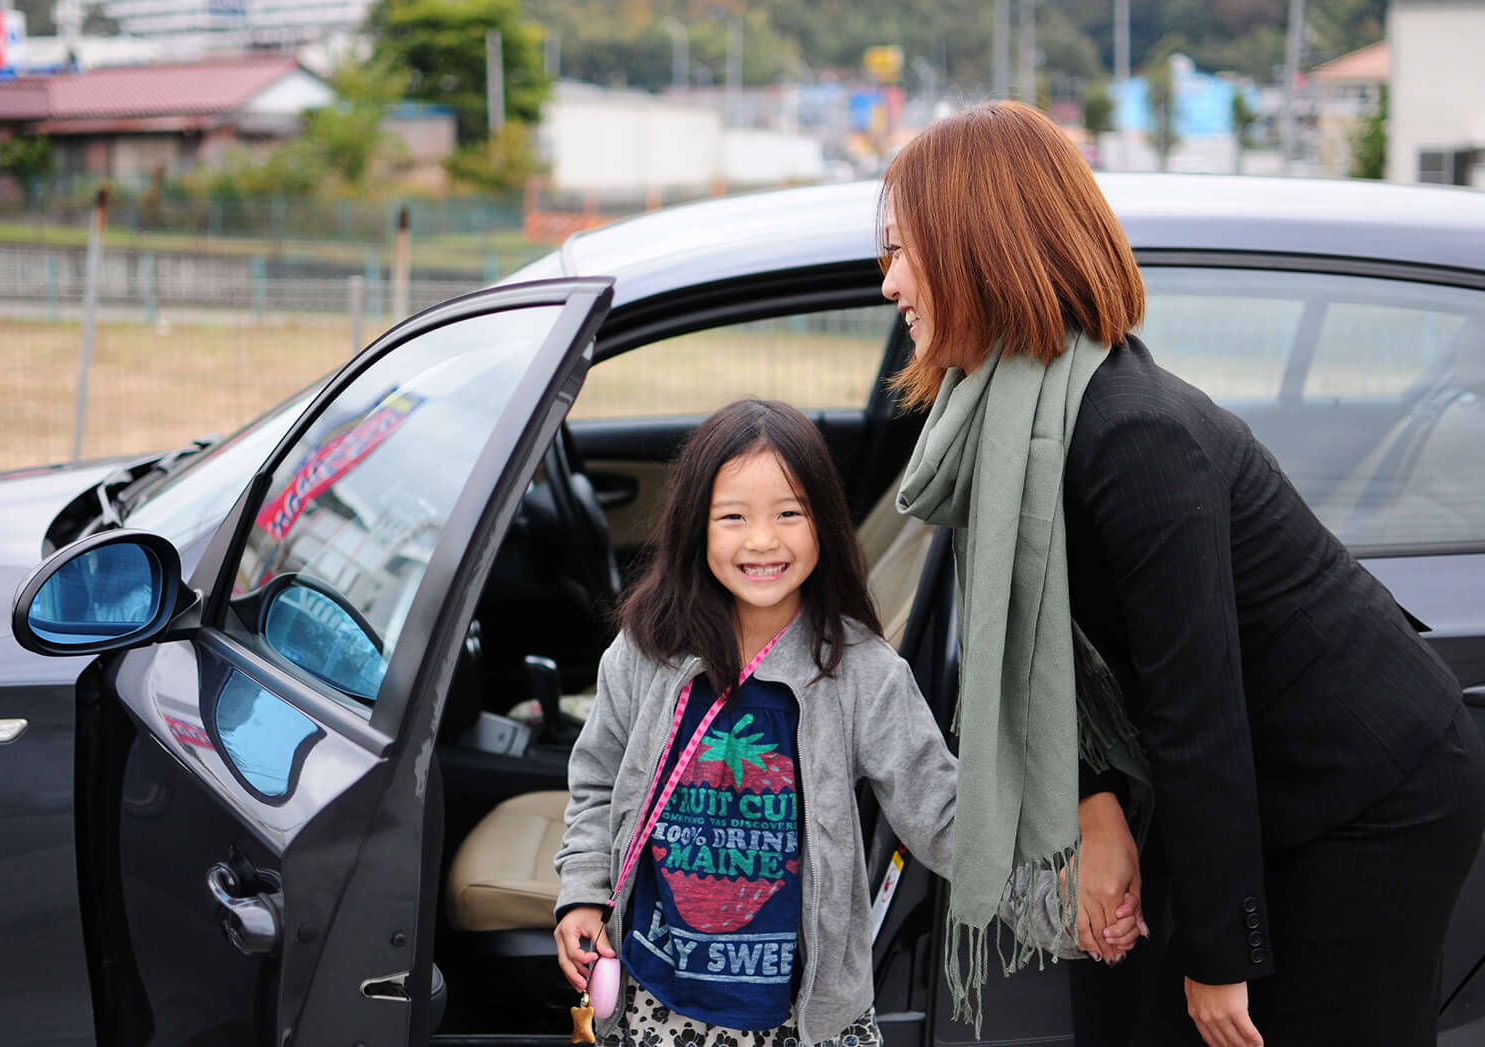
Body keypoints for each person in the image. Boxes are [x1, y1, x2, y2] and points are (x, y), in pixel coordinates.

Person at [879, 100, 1485, 1047]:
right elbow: (1070, 646)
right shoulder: (1011, 422)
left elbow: (1197, 708)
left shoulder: (1131, 434)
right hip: (1228, 784)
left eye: (903, 250)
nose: (889, 283)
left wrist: (1219, 955)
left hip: (1369, 793)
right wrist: (1092, 797)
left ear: (978, 251)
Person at [551, 398, 1138, 1047]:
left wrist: (1061, 908)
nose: (763, 539)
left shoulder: (861, 672)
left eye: (789, 514)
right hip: (657, 1007)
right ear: (695, 527)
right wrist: (583, 892)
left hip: (804, 1022)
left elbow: (946, 815)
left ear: (824, 525)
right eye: (733, 517)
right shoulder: (647, 651)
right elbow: (597, 779)